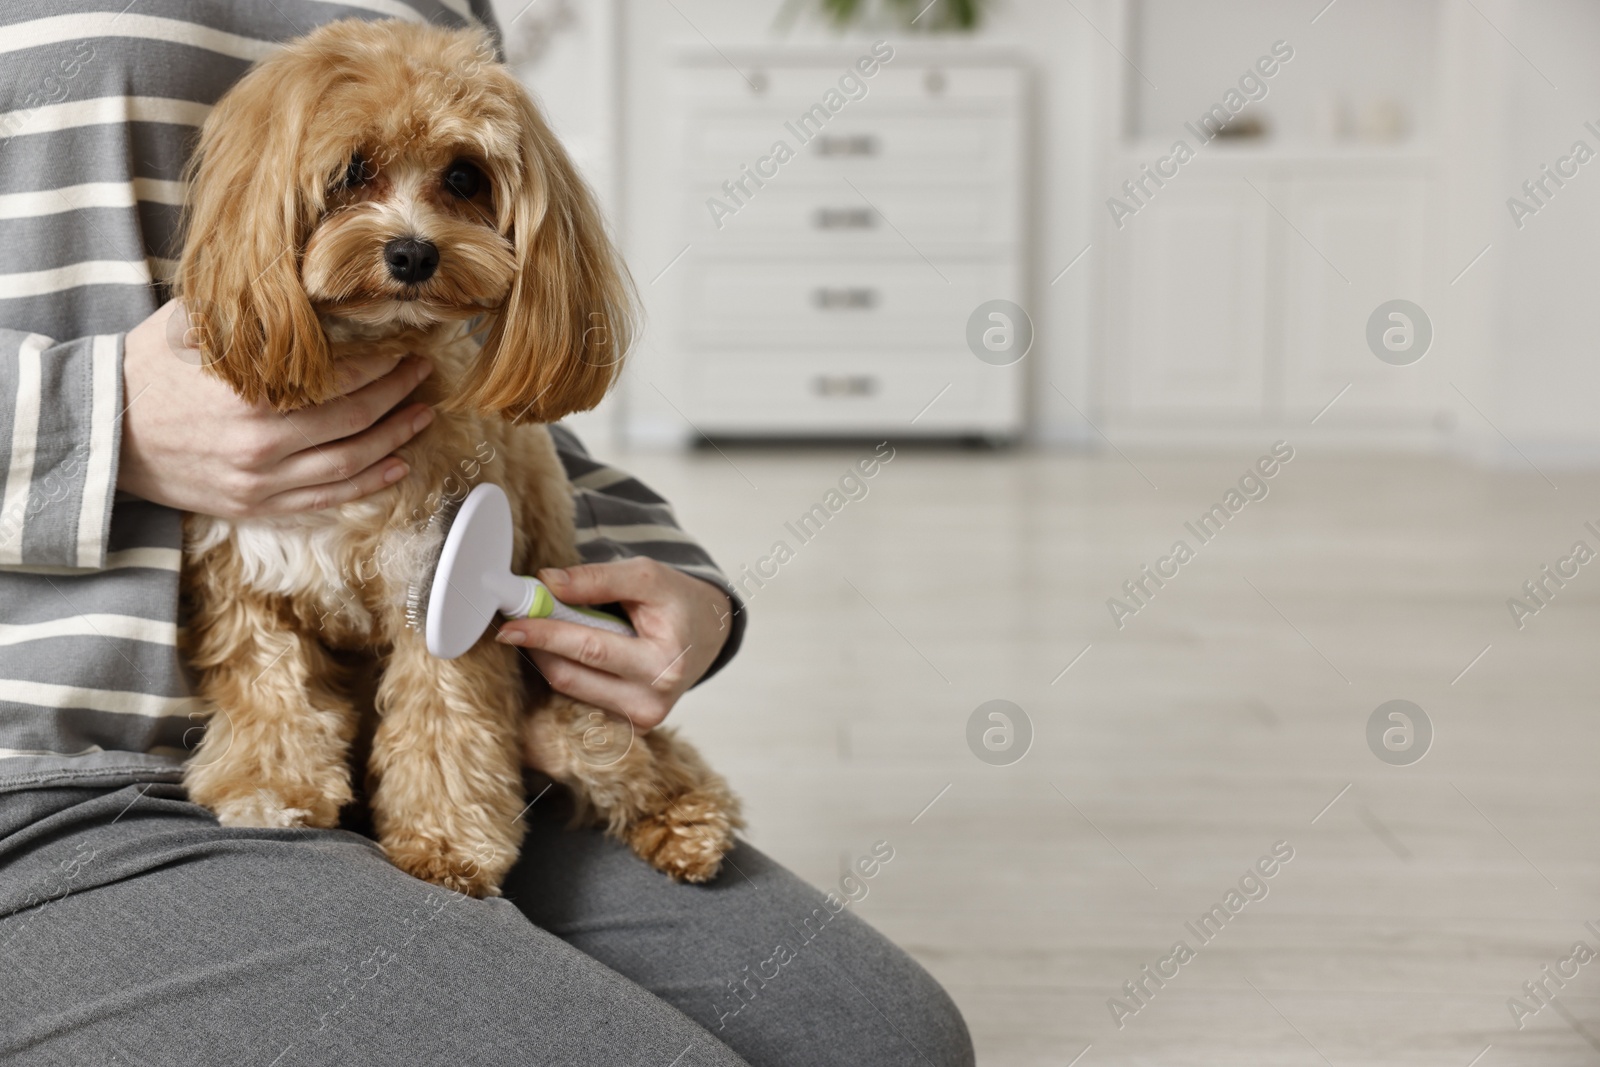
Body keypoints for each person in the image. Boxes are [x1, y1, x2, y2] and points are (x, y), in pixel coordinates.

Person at [0, 3, 975, 1065]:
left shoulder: (450, 18)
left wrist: (657, 581)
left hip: (419, 720)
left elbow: (481, 405)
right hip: (58, 755)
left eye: (456, 184)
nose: (414, 225)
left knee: (878, 1039)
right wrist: (94, 425)